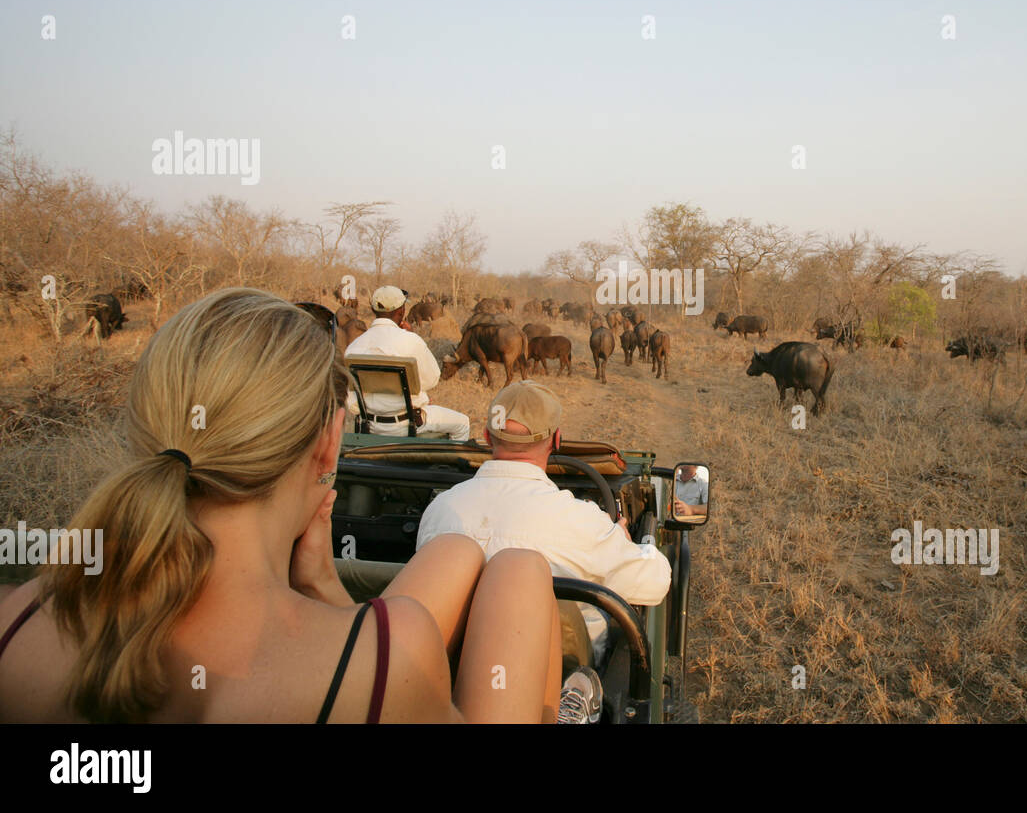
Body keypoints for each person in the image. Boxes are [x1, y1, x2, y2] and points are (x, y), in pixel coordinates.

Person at [0, 288, 565, 723]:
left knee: (462, 553)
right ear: (330, 441)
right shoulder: (385, 660)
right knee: (520, 569)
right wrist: (332, 598)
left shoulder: (14, 620)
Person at [416, 381, 671, 664]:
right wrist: (629, 542)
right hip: (559, 677)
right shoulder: (581, 521)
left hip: (452, 670)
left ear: (487, 436)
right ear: (556, 440)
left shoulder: (438, 510)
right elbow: (655, 583)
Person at [344, 285, 470, 441]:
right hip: (407, 423)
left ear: (373, 309)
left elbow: (350, 395)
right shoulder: (410, 340)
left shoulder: (354, 346)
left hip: (370, 423)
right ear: (401, 311)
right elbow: (432, 379)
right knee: (463, 423)